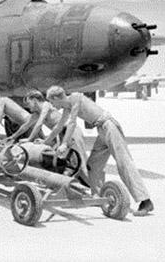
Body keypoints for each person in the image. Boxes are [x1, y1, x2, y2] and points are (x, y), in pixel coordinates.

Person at [46, 85, 154, 217]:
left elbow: (72, 123)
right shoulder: (67, 106)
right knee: (93, 166)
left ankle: (145, 201)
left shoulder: (75, 97)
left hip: (109, 127)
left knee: (123, 163)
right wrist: (45, 142)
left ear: (57, 98)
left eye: (52, 102)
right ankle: (98, 196)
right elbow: (59, 126)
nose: (52, 105)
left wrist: (63, 143)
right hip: (101, 130)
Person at [12, 90, 89, 180]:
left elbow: (39, 124)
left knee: (82, 163)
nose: (28, 107)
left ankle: (96, 190)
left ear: (35, 100)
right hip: (61, 134)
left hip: (71, 132)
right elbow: (25, 126)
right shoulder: (37, 113)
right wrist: (13, 136)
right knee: (65, 162)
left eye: (28, 103)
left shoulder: (46, 105)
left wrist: (29, 139)